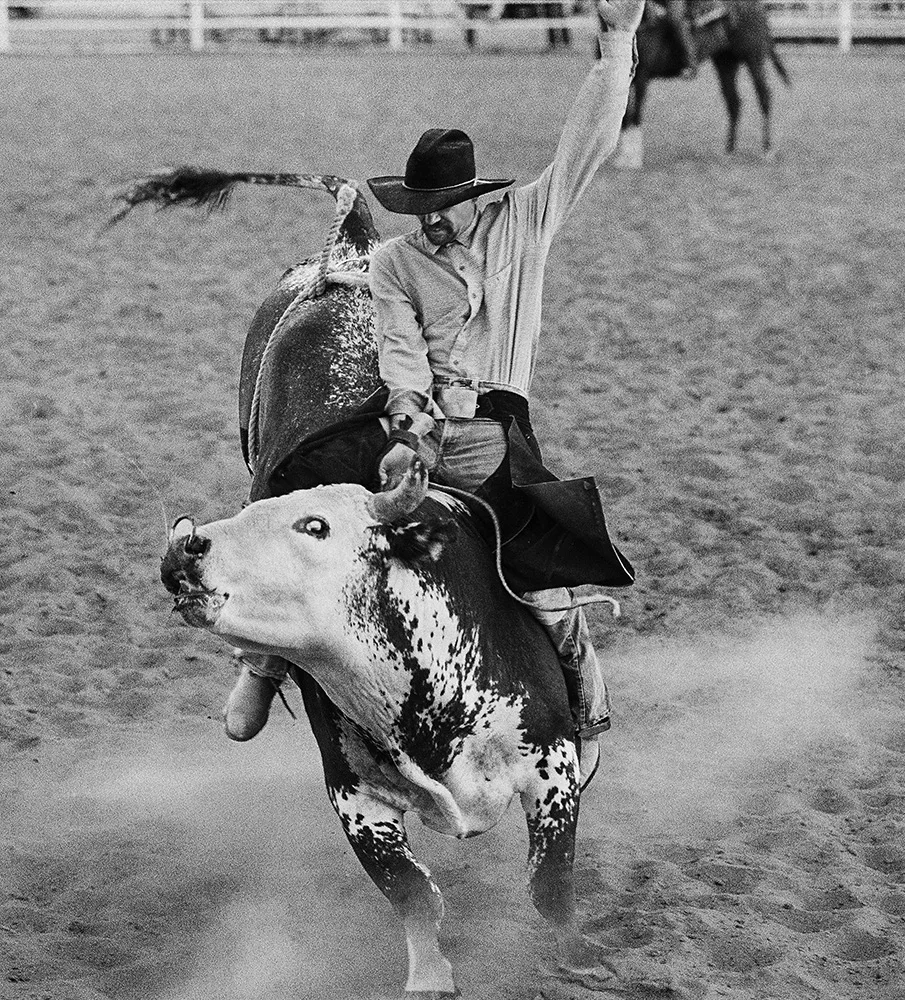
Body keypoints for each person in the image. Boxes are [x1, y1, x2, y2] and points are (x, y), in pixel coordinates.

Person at [224, 0, 643, 790]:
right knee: (300, 494)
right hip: (413, 425)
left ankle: (584, 708)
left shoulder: (525, 224)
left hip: (496, 432)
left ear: (474, 198)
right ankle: (263, 660)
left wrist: (615, 44)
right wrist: (410, 428)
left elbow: (586, 143)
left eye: (443, 209)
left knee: (546, 574)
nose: (433, 224)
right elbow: (398, 352)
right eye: (421, 212)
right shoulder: (392, 264)